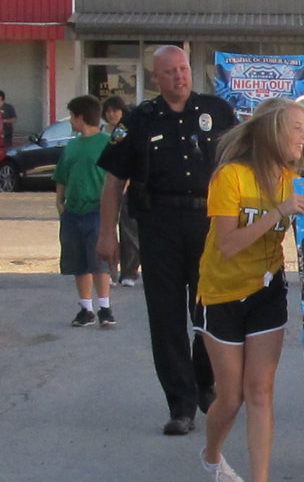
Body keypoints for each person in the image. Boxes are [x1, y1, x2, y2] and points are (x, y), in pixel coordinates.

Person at [96, 45, 236, 436]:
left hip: (209, 225)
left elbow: (243, 166)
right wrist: (107, 235)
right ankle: (181, 405)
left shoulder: (218, 112)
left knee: (211, 311)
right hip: (158, 226)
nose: (179, 77)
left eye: (184, 69)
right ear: (156, 78)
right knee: (166, 318)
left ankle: (203, 381)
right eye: (170, 72)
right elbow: (113, 183)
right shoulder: (139, 120)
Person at [196, 98, 304, 482]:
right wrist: (277, 212)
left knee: (260, 391)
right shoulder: (231, 177)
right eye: (297, 128)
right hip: (222, 293)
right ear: (272, 132)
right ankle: (212, 457)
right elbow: (228, 244)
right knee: (231, 397)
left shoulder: (293, 181)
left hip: (267, 292)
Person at [53, 95, 114, 329]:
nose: (70, 121)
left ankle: (105, 308)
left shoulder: (107, 143)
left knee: (98, 260)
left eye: (71, 116)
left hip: (97, 211)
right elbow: (61, 176)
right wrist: (59, 202)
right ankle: (86, 309)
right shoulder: (72, 145)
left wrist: (110, 204)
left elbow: (121, 177)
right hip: (73, 212)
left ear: (80, 117)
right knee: (78, 262)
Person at [101, 95, 141, 287]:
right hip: (104, 189)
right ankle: (109, 270)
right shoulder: (101, 133)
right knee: (107, 230)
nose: (111, 114)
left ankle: (130, 272)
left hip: (127, 189)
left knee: (129, 232)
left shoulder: (127, 130)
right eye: (108, 111)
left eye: (115, 110)